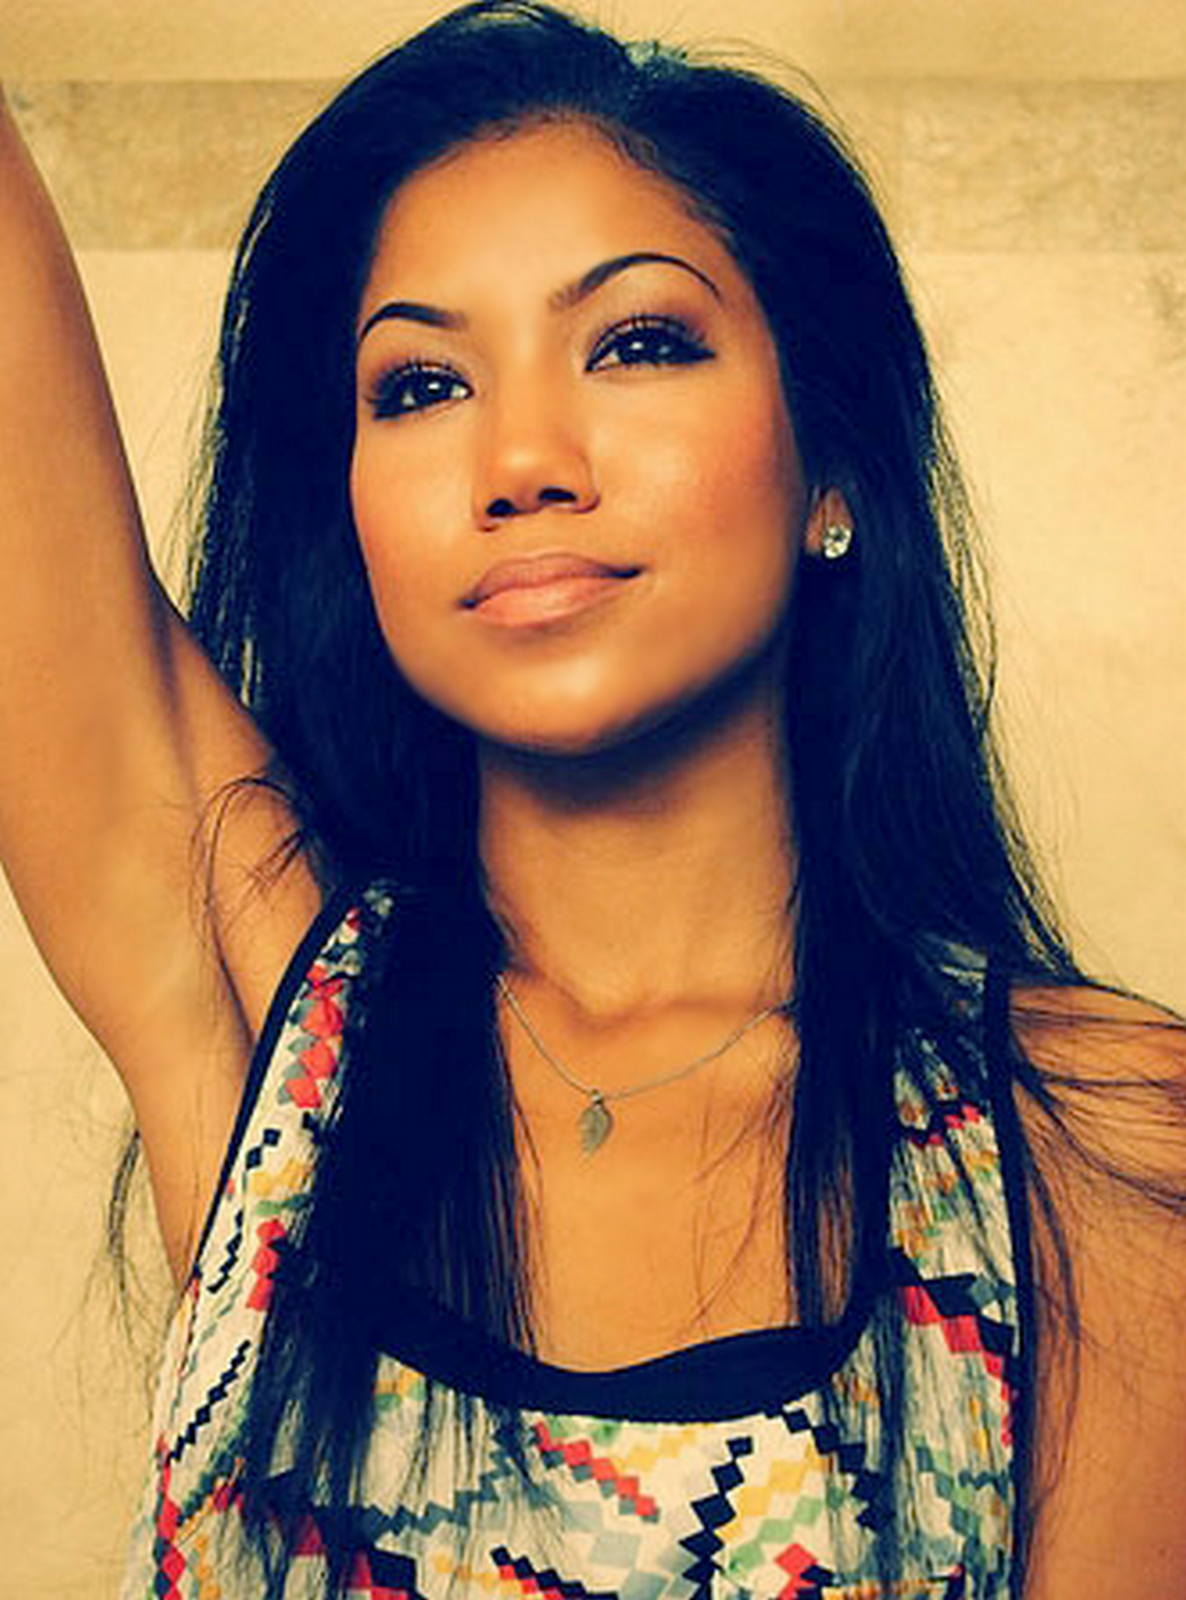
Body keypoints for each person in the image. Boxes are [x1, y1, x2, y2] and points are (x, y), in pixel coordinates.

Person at [1, 1, 1184, 1595]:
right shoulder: (275, 1023)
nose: (523, 461)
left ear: (830, 467)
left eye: (636, 343)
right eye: (421, 384)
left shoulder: (1097, 1137)